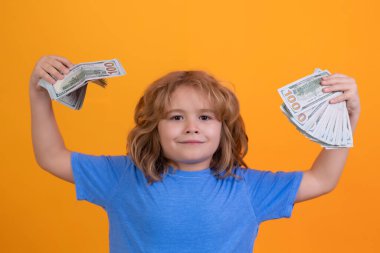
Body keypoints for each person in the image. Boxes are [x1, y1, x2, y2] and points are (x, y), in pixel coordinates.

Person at [29, 55, 361, 253]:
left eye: (204, 117)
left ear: (223, 128)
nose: (191, 127)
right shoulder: (122, 177)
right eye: (176, 117)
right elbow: (51, 156)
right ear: (153, 127)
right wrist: (39, 93)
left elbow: (322, 179)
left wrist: (346, 121)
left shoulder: (247, 187)